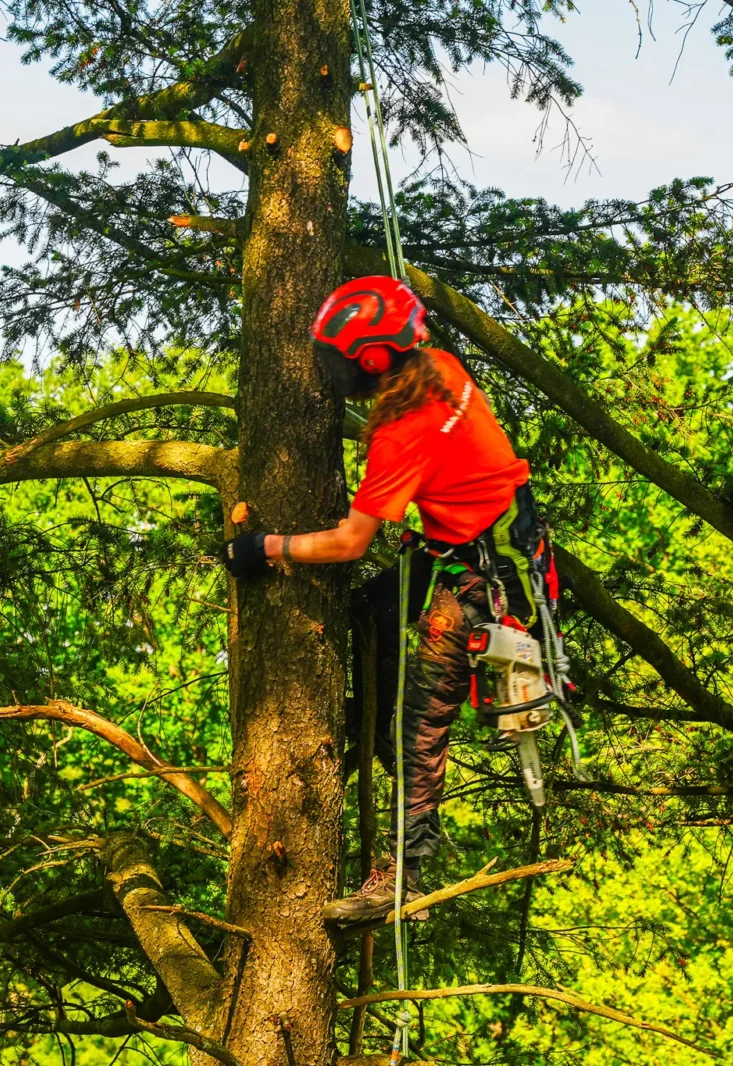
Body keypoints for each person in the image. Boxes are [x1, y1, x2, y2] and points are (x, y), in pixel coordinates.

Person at [221, 275, 560, 923]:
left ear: (373, 359)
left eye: (341, 357)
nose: (333, 368)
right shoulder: (440, 367)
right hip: (477, 540)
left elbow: (350, 541)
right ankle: (367, 716)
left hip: (485, 580)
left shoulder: (403, 432)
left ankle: (402, 878)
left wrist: (265, 549)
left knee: (421, 726)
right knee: (375, 610)